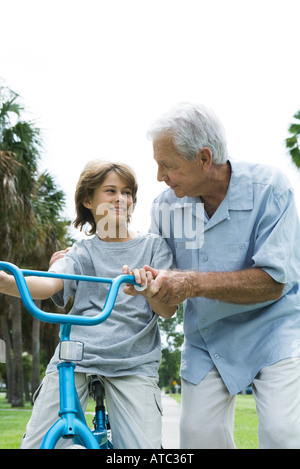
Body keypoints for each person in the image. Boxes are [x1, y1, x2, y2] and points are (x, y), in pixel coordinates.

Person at [140, 102, 300, 449]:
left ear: (204, 158)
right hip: (207, 339)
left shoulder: (271, 188)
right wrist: (153, 291)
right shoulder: (165, 207)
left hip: (275, 330)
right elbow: (165, 308)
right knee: (198, 437)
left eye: (167, 165)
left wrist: (193, 282)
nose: (159, 177)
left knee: (281, 433)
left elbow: (274, 283)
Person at [0, 160, 176, 449]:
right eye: (111, 191)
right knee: (37, 445)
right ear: (87, 200)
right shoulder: (80, 251)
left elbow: (167, 310)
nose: (122, 199)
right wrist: (7, 282)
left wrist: (148, 290)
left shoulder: (154, 247)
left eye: (127, 192)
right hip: (77, 356)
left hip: (132, 362)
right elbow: (49, 284)